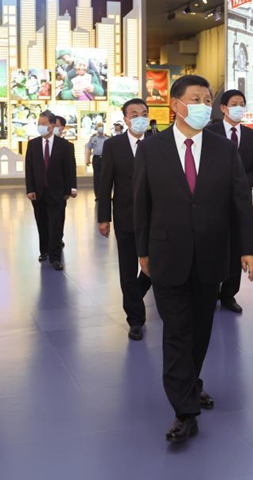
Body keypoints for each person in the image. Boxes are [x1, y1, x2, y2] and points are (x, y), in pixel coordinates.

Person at [134, 75, 253, 444]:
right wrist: (142, 250)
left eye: (207, 99)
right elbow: (141, 204)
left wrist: (248, 248)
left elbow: (240, 201)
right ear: (176, 105)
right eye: (196, 99)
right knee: (177, 331)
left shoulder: (224, 149)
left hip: (210, 254)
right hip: (166, 254)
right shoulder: (152, 149)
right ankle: (185, 411)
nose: (204, 105)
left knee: (201, 331)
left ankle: (190, 383)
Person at [98, 99, 153, 340]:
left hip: (155, 217)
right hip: (125, 215)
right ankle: (135, 319)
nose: (140, 117)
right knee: (128, 268)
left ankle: (134, 295)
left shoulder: (158, 142)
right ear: (126, 119)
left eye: (144, 113)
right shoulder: (113, 145)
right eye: (134, 114)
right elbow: (105, 183)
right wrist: (103, 217)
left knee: (155, 265)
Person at [206, 89, 253, 313]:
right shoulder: (209, 133)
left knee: (236, 246)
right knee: (213, 247)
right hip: (214, 200)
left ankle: (229, 294)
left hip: (240, 201)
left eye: (242, 103)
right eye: (234, 103)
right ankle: (210, 291)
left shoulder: (252, 136)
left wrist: (242, 184)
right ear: (223, 108)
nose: (239, 107)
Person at [25, 111, 75, 270]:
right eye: (39, 123)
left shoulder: (64, 146)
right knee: (41, 223)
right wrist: (30, 189)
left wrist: (70, 189)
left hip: (57, 192)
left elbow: (70, 168)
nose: (40, 126)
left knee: (56, 224)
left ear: (52, 126)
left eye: (43, 124)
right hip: (38, 193)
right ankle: (44, 251)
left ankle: (55, 257)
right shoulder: (33, 144)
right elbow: (29, 169)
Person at [54, 115, 78, 247]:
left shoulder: (67, 146)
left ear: (62, 128)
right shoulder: (39, 144)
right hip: (44, 188)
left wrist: (71, 187)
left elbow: (71, 168)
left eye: (56, 125)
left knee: (59, 216)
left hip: (60, 189)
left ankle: (58, 238)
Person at [86, 122, 110, 201]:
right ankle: (98, 195)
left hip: (106, 159)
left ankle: (106, 195)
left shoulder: (107, 138)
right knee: (97, 177)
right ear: (96, 128)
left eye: (101, 126)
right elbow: (89, 149)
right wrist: (87, 159)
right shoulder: (93, 138)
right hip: (96, 159)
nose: (100, 128)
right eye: (99, 126)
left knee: (106, 176)